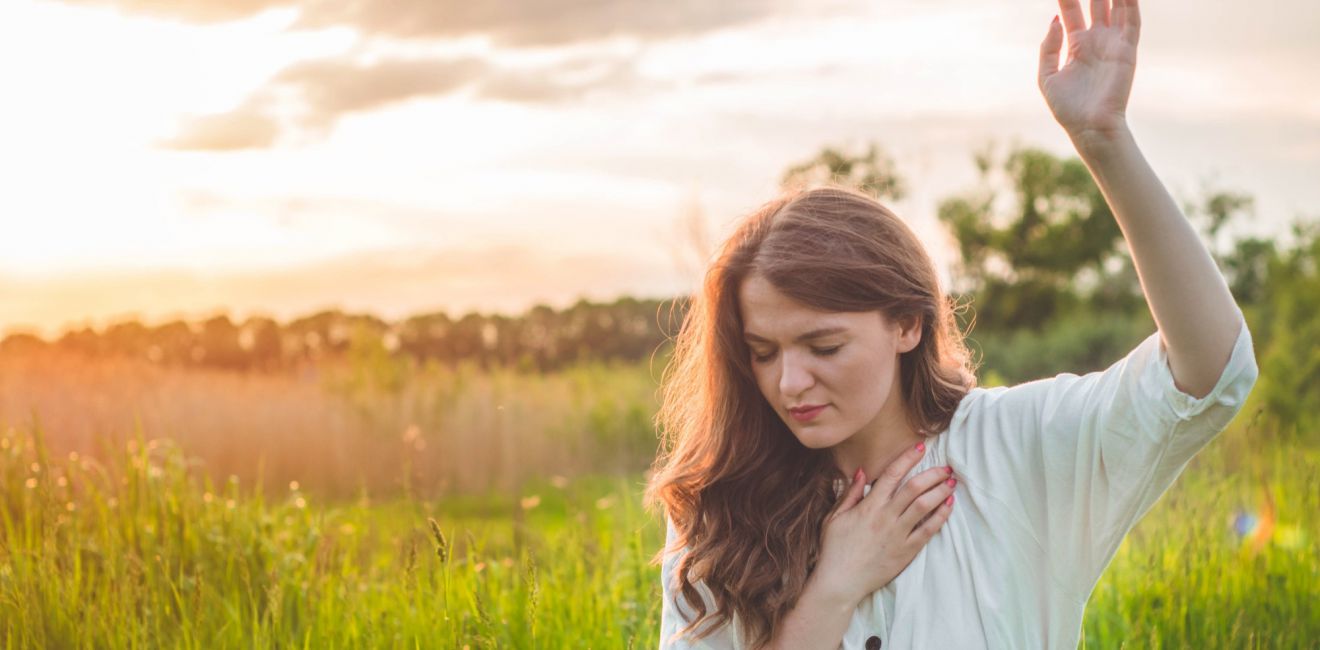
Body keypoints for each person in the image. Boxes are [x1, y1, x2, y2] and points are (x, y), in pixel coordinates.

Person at [642, 0, 1260, 647]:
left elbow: (1212, 373)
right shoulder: (722, 511)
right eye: (762, 351)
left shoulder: (1021, 445)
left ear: (907, 323)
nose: (789, 381)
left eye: (823, 345)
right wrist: (835, 589)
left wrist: (1105, 142)